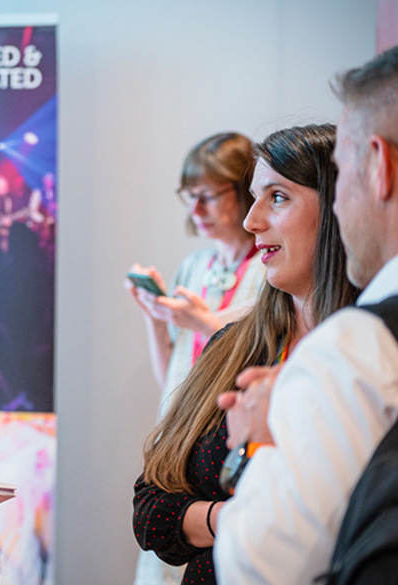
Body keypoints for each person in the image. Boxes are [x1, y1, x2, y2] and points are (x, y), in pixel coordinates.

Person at [133, 124, 360, 585]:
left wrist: (212, 518)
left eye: (277, 197)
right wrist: (232, 520)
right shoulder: (232, 344)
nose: (252, 221)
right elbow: (151, 508)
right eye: (254, 197)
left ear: (340, 206)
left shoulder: (367, 356)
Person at [215, 47, 398, 585]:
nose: (341, 205)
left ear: (379, 166)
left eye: (341, 174)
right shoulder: (244, 339)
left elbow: (261, 567)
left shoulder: (358, 350)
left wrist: (269, 436)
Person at [127, 132, 265, 585]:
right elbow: (172, 376)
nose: (197, 210)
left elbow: (254, 361)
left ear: (244, 191)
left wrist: (207, 324)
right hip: (179, 436)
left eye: (207, 196)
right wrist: (154, 316)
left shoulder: (269, 272)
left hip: (224, 451)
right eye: (190, 197)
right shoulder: (196, 268)